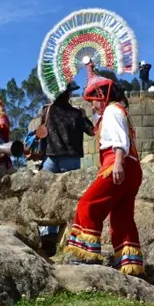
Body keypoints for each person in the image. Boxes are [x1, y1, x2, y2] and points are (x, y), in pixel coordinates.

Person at [64, 60, 144, 276]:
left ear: (102, 96)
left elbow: (120, 141)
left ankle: (88, 255)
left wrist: (118, 162)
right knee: (122, 215)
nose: (93, 106)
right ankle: (129, 263)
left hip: (118, 164)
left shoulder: (111, 111)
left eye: (94, 101)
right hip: (133, 168)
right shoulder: (119, 110)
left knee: (88, 204)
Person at [38, 83, 95, 257]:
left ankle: (48, 234)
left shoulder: (47, 110)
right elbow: (92, 131)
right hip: (70, 159)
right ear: (68, 93)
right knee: (69, 198)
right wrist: (85, 116)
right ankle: (69, 234)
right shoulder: (77, 114)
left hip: (50, 157)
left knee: (46, 195)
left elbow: (41, 132)